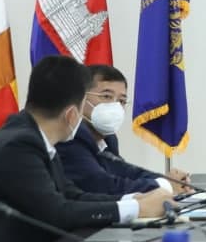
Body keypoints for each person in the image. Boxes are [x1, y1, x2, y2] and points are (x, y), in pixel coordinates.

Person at [0, 56, 171, 242]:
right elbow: (57, 213)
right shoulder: (19, 145)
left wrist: (134, 200)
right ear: (72, 114)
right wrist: (135, 210)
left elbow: (71, 195)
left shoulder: (32, 136)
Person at [56, 64, 192, 196]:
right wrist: (165, 185)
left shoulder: (109, 139)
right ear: (81, 98)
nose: (115, 106)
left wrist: (168, 180)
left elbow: (128, 173)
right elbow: (102, 185)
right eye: (106, 96)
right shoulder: (69, 136)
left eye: (121, 101)